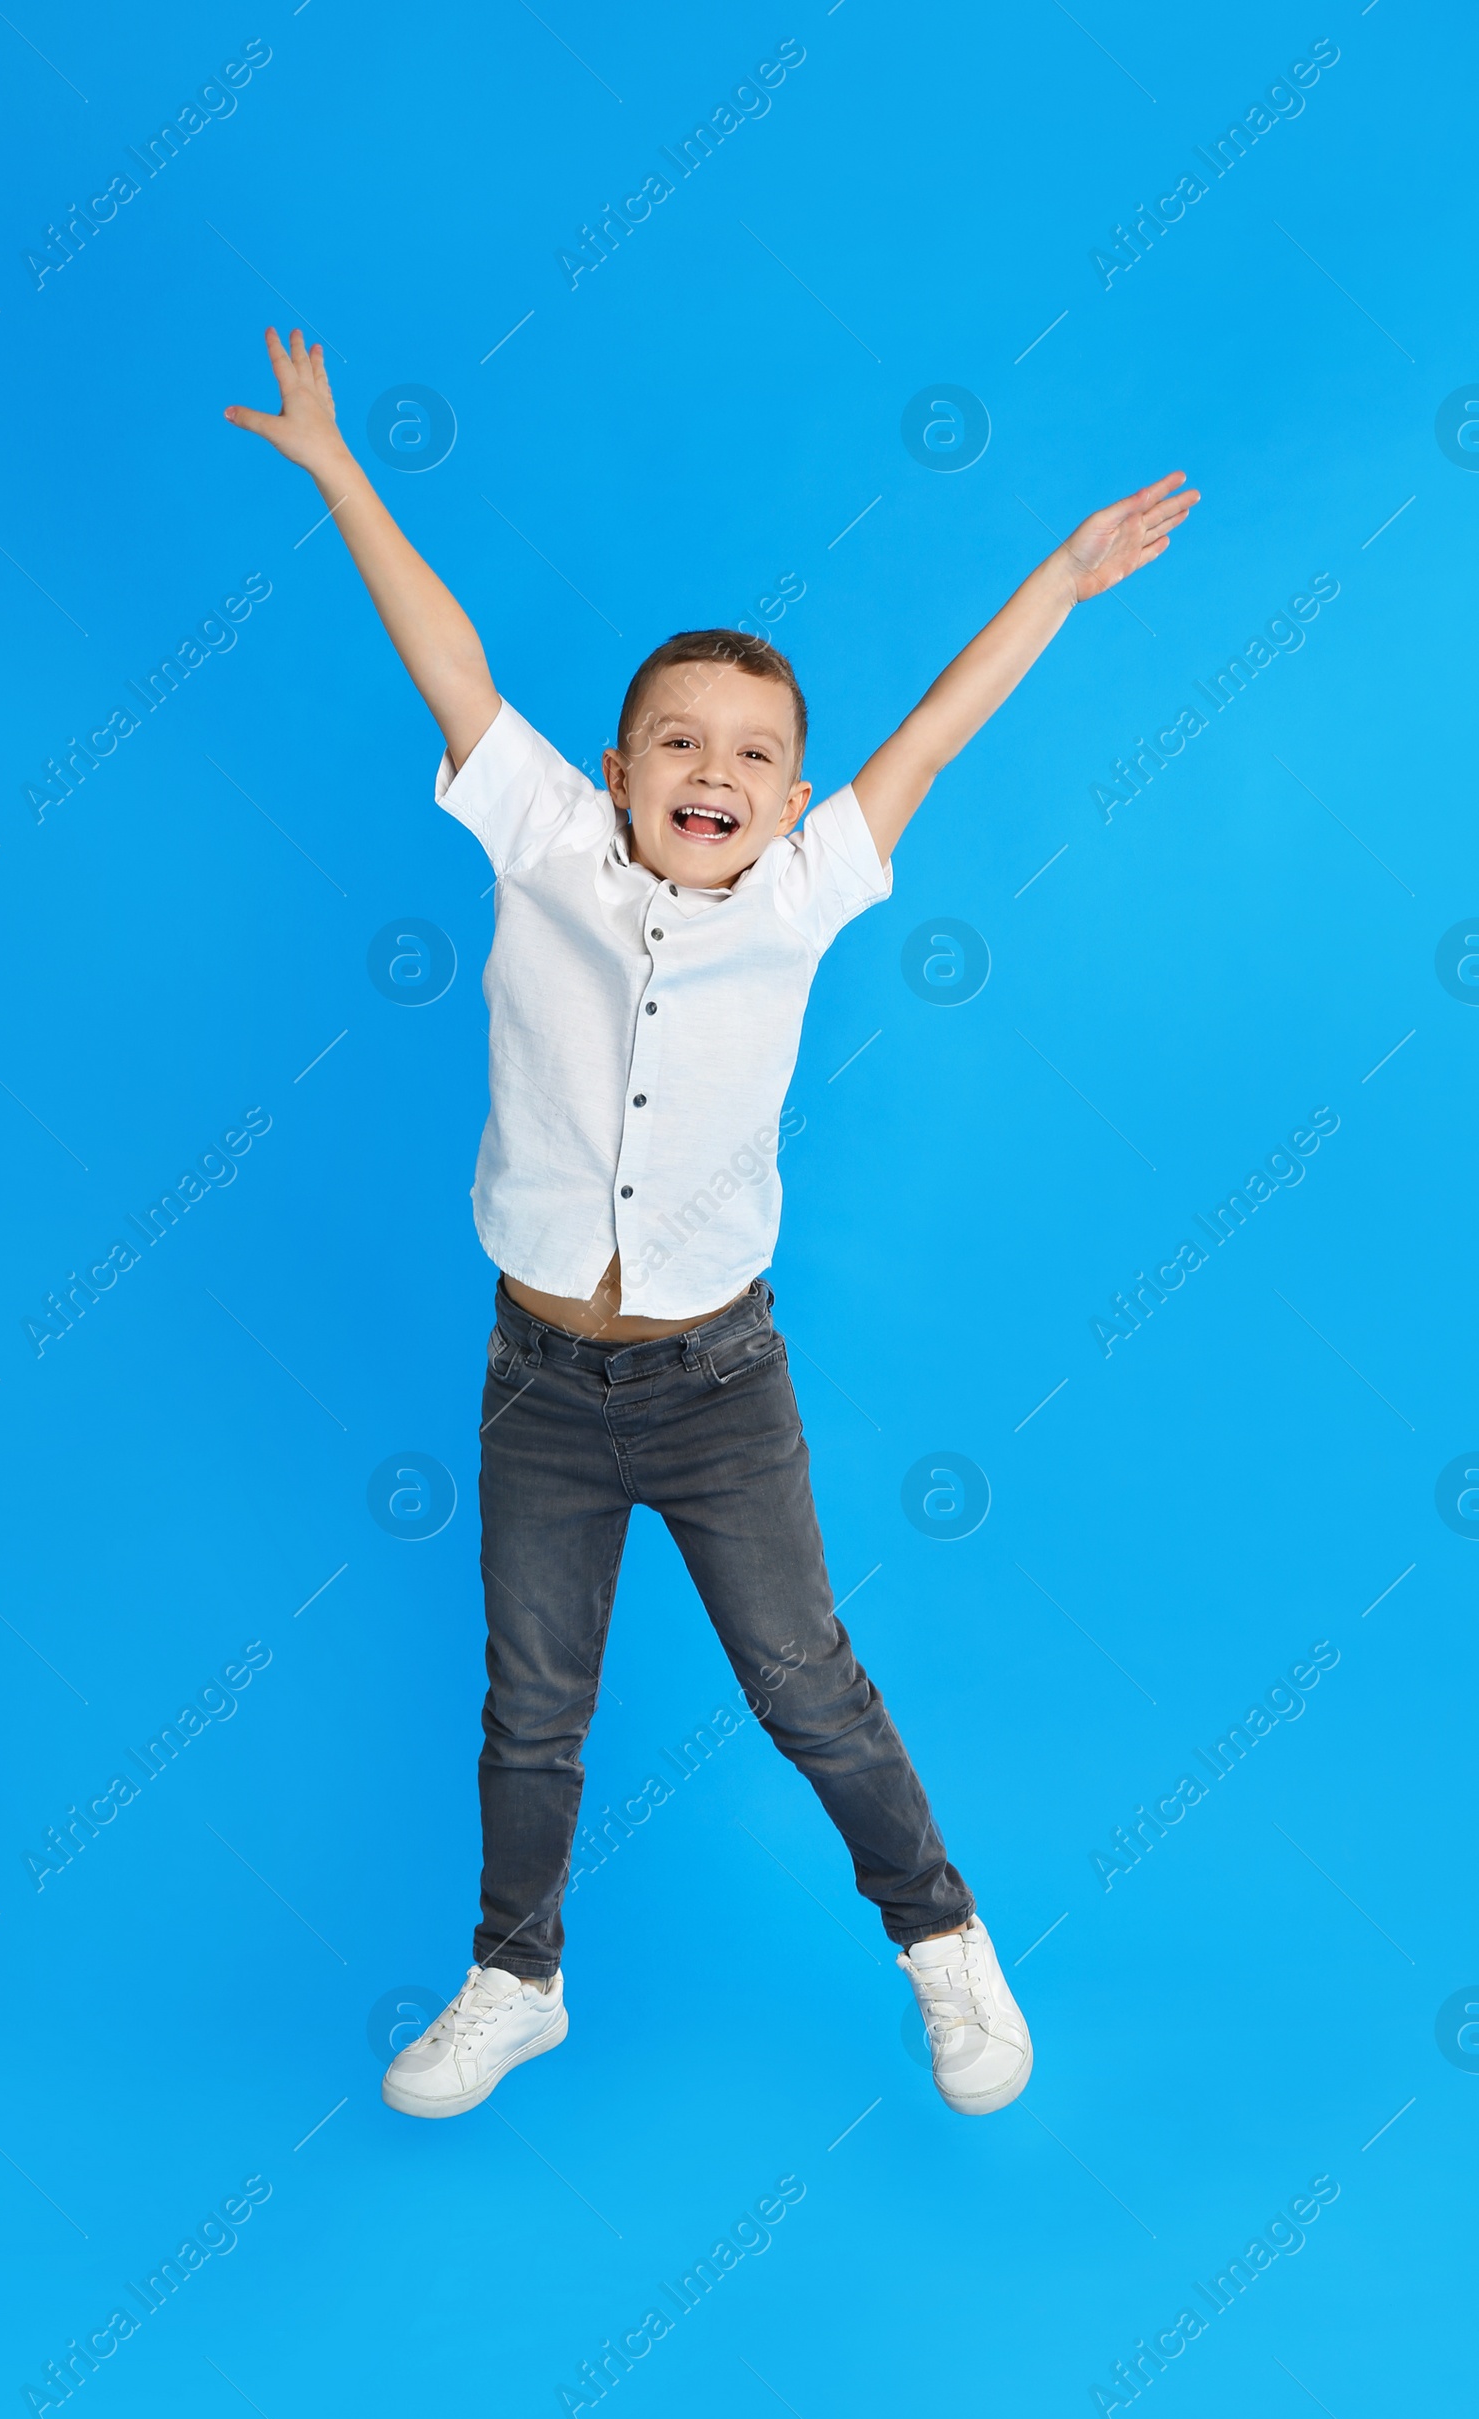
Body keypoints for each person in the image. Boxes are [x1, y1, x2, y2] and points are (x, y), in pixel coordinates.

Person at [227, 328, 1197, 2123]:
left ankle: (946, 1943)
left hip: (716, 1377)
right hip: (540, 1378)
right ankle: (516, 1982)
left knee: (808, 1686)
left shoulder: (810, 888)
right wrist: (348, 477)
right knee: (533, 1711)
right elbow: (448, 662)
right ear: (612, 770)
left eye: (756, 753)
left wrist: (1060, 577)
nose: (714, 769)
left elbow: (935, 730)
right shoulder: (540, 844)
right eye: (677, 738)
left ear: (788, 795)